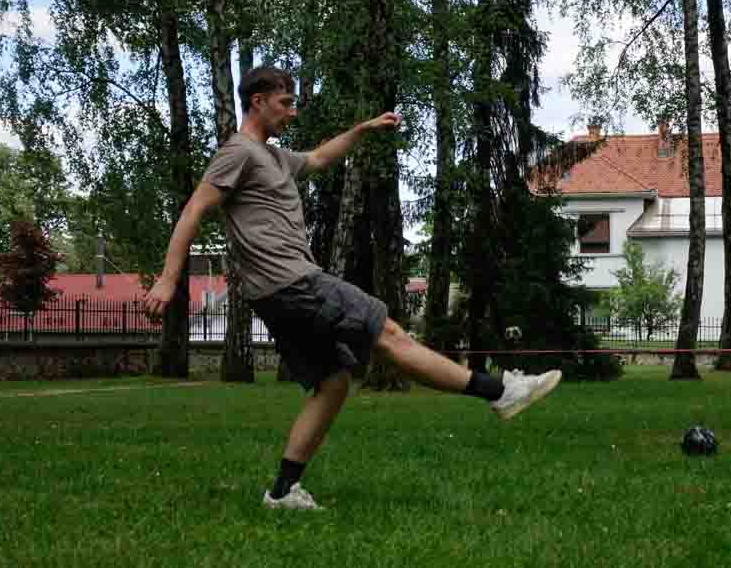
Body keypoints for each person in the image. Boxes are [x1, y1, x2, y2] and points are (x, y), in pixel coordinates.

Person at [143, 66, 562, 510]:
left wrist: (361, 130)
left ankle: (282, 491)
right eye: (285, 103)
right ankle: (500, 392)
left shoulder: (274, 157)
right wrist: (169, 280)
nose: (292, 112)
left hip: (275, 292)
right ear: (258, 101)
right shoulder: (238, 153)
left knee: (333, 382)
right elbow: (193, 211)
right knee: (387, 332)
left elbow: (318, 158)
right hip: (291, 282)